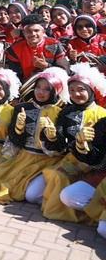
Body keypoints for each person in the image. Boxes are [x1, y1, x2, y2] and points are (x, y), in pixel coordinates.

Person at [0, 67, 68, 203]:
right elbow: (14, 140)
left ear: (54, 91)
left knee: (30, 196)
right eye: (38, 87)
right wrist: (18, 129)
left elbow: (61, 147)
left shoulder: (60, 113)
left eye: (46, 89)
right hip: (23, 158)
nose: (40, 92)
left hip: (46, 161)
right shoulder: (22, 108)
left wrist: (53, 138)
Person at [34, 64, 106, 221]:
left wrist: (83, 146)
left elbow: (99, 153)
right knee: (34, 192)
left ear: (91, 90)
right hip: (66, 159)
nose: (76, 94)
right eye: (72, 91)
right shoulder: (67, 111)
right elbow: (60, 143)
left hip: (91, 166)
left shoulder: (102, 115)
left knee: (60, 177)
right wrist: (52, 137)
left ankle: (67, 212)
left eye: (81, 89)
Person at [4, 14, 69, 82]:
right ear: (23, 32)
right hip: (25, 88)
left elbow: (65, 71)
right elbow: (14, 76)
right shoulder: (15, 49)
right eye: (28, 31)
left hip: (52, 83)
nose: (33, 34)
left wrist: (46, 66)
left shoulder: (54, 44)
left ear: (43, 31)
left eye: (36, 30)